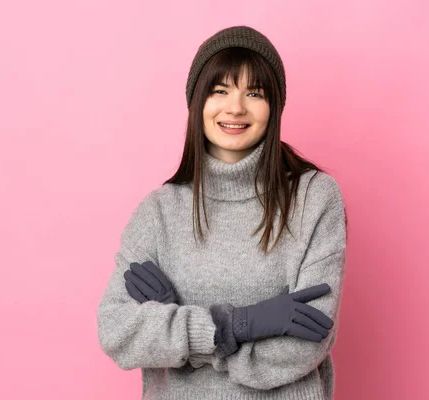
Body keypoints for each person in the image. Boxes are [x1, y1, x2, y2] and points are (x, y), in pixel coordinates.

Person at [97, 25, 348, 399]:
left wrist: (179, 333)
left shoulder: (313, 199)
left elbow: (306, 343)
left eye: (254, 93)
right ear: (197, 102)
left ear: (274, 107)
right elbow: (116, 330)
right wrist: (233, 326)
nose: (235, 108)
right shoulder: (159, 212)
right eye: (220, 90)